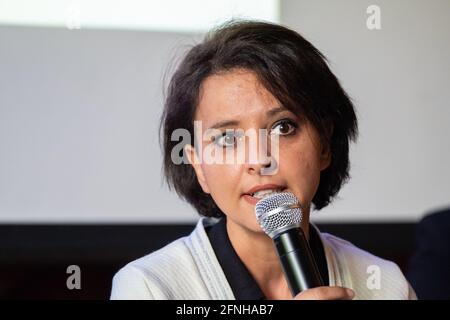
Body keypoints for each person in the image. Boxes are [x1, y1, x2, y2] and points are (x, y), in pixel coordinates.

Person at [110, 20, 416, 300]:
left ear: (324, 145)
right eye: (227, 138)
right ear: (198, 166)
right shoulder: (149, 287)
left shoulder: (385, 284)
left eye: (283, 127)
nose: (259, 160)